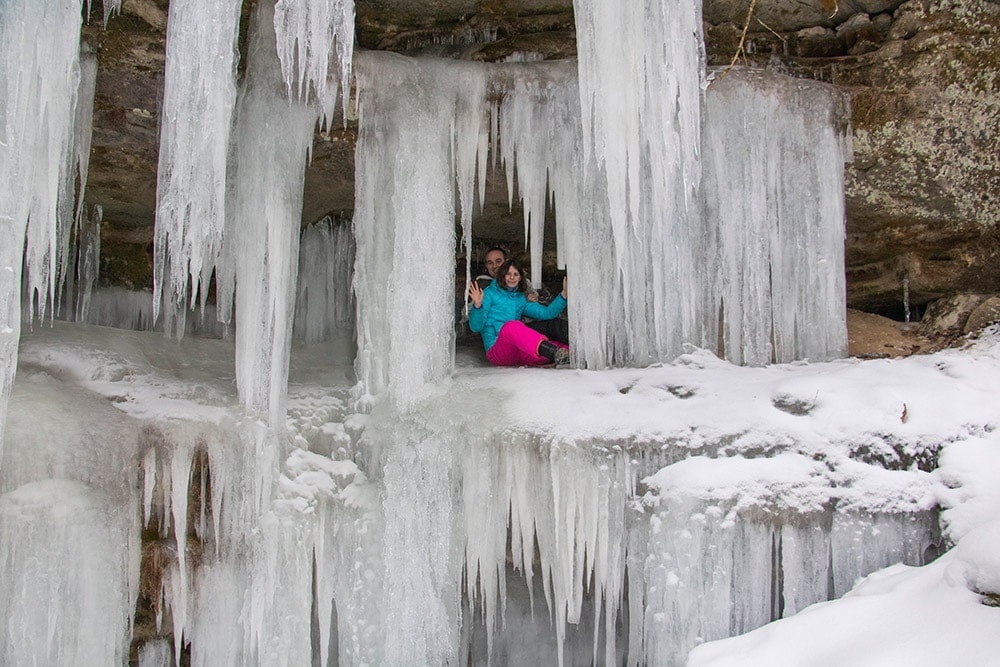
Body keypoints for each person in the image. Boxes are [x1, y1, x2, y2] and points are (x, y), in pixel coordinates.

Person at [469, 259, 570, 367]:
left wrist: (563, 295)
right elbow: (476, 327)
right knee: (511, 326)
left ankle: (567, 355)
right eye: (508, 274)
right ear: (502, 275)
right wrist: (478, 306)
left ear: (520, 277)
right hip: (498, 351)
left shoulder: (520, 298)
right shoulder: (489, 294)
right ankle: (554, 353)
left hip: (519, 351)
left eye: (515, 274)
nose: (512, 278)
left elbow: (547, 313)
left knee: (563, 347)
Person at [475, 247, 569, 345]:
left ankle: (579, 350)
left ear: (507, 262)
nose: (494, 266)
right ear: (486, 266)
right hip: (502, 338)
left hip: (530, 326)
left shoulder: (524, 281)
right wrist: (478, 306)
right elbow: (472, 318)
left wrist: (539, 299)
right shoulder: (482, 286)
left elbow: (549, 306)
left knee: (556, 327)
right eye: (490, 263)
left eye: (498, 261)